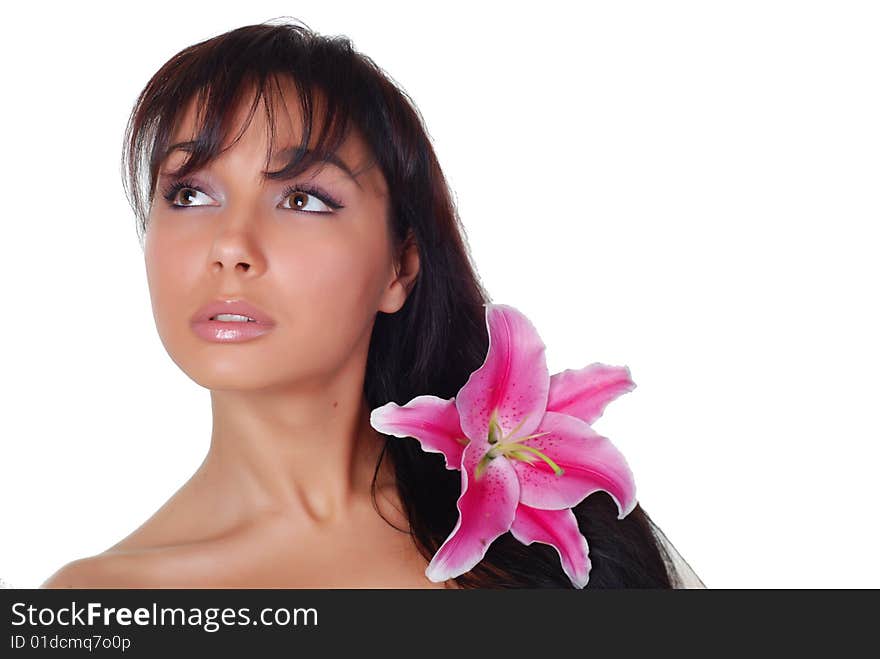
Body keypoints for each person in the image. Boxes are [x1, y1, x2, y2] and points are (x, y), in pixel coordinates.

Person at [41, 18, 704, 589]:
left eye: (302, 198)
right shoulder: (96, 602)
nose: (230, 246)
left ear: (400, 266)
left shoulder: (552, 527)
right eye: (189, 193)